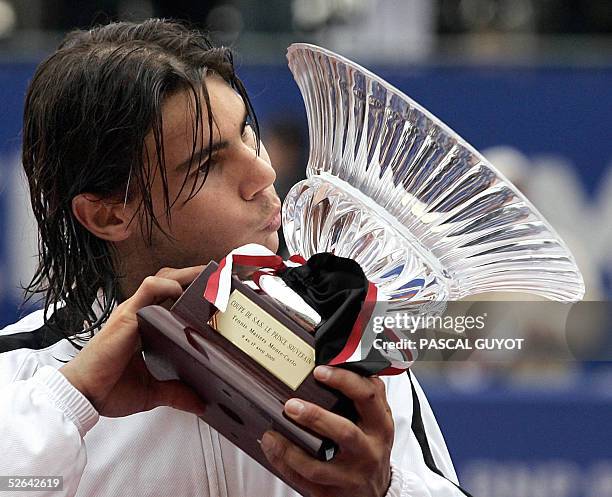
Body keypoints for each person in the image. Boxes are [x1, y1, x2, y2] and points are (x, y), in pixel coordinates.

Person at [0, 19, 470, 497]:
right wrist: (69, 404)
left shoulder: (349, 346)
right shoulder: (19, 376)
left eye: (248, 135)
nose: (264, 172)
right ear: (107, 215)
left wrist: (382, 490)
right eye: (207, 165)